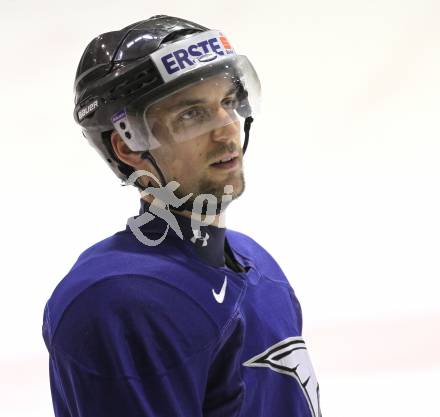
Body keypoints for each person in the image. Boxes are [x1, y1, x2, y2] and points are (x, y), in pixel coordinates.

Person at [42, 15, 322, 417]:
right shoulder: (120, 302)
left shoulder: (257, 264)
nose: (227, 130)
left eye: (227, 102)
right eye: (192, 115)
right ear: (128, 147)